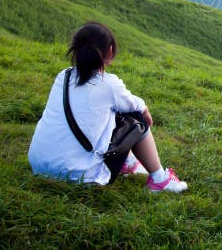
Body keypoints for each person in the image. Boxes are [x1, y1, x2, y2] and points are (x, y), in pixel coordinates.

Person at [28, 21, 187, 193]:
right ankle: (160, 180)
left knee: (109, 113)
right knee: (136, 119)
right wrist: (146, 112)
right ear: (110, 51)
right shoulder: (109, 85)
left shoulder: (63, 76)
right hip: (80, 176)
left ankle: (129, 163)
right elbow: (136, 107)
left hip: (40, 165)